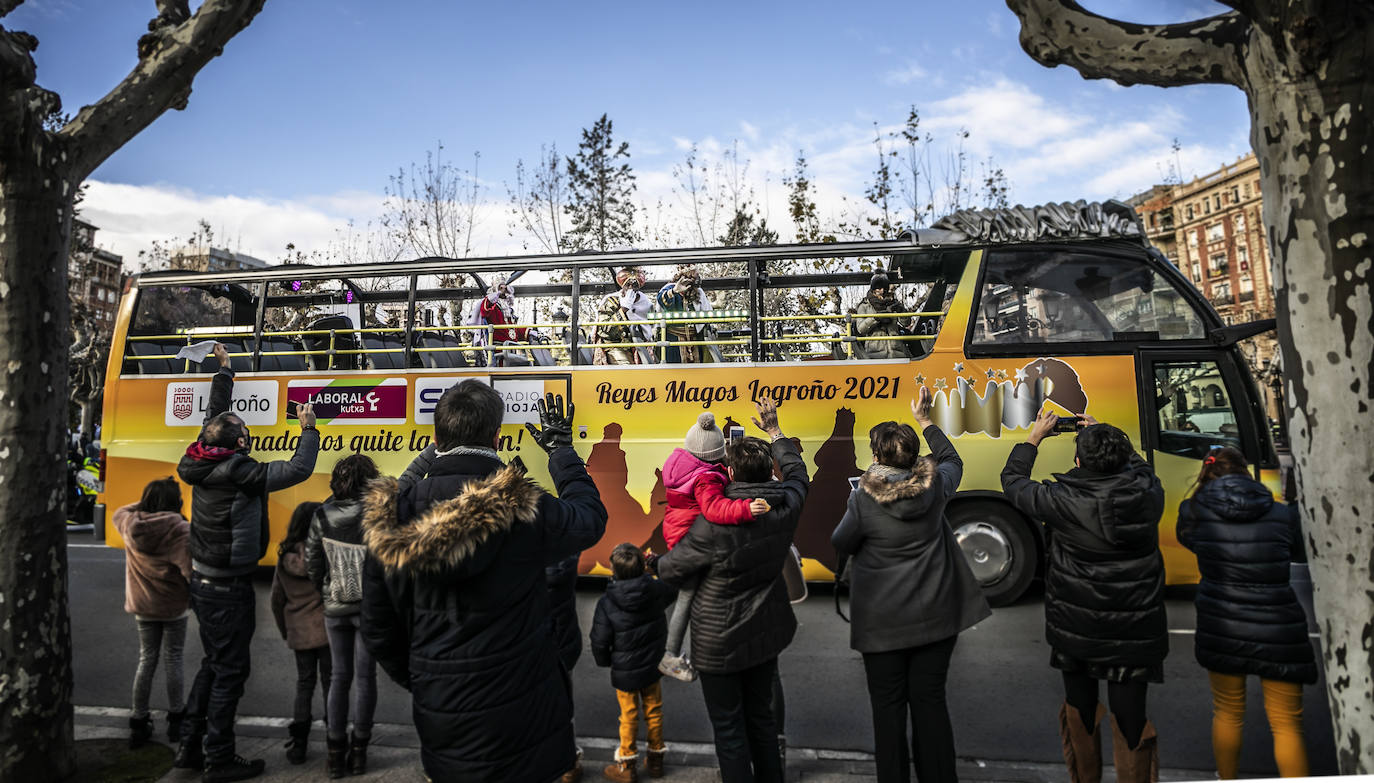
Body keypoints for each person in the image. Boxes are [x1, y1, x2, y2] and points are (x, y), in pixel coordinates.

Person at [360, 384, 607, 782]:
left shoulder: (393, 516)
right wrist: (561, 451)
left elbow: (377, 626)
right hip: (526, 710)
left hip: (442, 710)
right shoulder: (525, 507)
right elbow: (590, 519)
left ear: (436, 439)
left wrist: (426, 676)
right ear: (496, 437)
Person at [831, 386, 991, 783]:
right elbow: (952, 458)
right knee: (931, 704)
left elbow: (841, 542)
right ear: (915, 456)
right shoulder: (935, 485)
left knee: (887, 712)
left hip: (882, 626)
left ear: (875, 456)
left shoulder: (863, 500)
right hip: (937, 619)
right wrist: (925, 419)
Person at [175, 343, 320, 782]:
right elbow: (296, 470)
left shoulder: (202, 455)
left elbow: (215, 415)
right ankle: (217, 758)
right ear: (240, 442)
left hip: (204, 580)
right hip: (226, 586)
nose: (249, 436)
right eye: (246, 433)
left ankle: (188, 747)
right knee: (229, 672)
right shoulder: (240, 471)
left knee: (213, 663)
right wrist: (308, 428)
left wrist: (225, 370)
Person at [1000, 412, 1167, 783]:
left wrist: (1033, 438)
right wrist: (1104, 435)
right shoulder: (1147, 493)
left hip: (1075, 629)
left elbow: (1011, 482)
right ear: (1125, 459)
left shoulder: (1060, 501)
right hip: (1135, 630)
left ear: (1077, 462)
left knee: (1081, 713)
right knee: (1131, 722)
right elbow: (1140, 469)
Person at [655, 398, 807, 783]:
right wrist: (775, 431)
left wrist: (650, 563)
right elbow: (797, 472)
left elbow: (672, 568)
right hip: (766, 633)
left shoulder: (709, 525)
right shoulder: (786, 506)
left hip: (717, 644)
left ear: (731, 471)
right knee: (762, 722)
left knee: (729, 730)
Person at [1176, 447, 1317, 779]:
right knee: (1286, 725)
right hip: (1280, 627)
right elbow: (1298, 551)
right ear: (1246, 473)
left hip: (1222, 624)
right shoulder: (1282, 514)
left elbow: (1191, 542)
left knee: (1227, 713)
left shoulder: (1192, 511)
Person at [659, 412, 770, 682]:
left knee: (688, 595)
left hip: (678, 530)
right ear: (713, 455)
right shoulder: (705, 479)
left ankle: (669, 650)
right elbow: (714, 508)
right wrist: (745, 507)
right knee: (688, 597)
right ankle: (669, 655)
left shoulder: (682, 462)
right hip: (691, 538)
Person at [306, 454, 382, 778]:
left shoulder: (322, 515)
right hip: (368, 608)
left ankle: (335, 754)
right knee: (366, 679)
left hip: (335, 605)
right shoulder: (376, 514)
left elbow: (313, 563)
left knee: (339, 677)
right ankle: (360, 751)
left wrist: (325, 589)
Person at [113, 477, 192, 750]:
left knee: (146, 660)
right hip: (173, 606)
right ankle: (176, 719)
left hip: (143, 606)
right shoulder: (180, 529)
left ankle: (139, 720)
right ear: (176, 501)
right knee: (174, 660)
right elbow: (189, 570)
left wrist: (145, 503)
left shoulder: (130, 524)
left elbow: (119, 510)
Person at [590, 543, 679, 782]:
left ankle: (627, 765)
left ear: (613, 571)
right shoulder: (656, 590)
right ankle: (656, 760)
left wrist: (606, 661)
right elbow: (673, 586)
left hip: (625, 670)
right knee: (654, 710)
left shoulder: (607, 603)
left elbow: (599, 640)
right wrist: (655, 567)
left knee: (628, 714)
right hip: (653, 664)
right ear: (643, 567)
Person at [269, 501, 330, 766]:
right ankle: (334, 736)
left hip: (299, 632)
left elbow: (276, 600)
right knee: (331, 682)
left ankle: (299, 744)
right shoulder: (324, 553)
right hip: (327, 631)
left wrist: (286, 631)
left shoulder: (285, 558)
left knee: (304, 685)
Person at [656, 265, 712, 363]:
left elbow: (707, 311)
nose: (698, 277)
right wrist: (674, 291)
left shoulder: (698, 291)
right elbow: (663, 301)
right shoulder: (670, 288)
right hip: (673, 338)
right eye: (696, 274)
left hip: (695, 338)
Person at [854, 273, 911, 359]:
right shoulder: (864, 306)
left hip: (897, 354)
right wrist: (875, 318)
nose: (882, 291)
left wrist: (901, 310)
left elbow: (906, 323)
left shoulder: (894, 303)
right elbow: (861, 329)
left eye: (885, 288)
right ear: (873, 289)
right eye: (879, 288)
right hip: (875, 355)